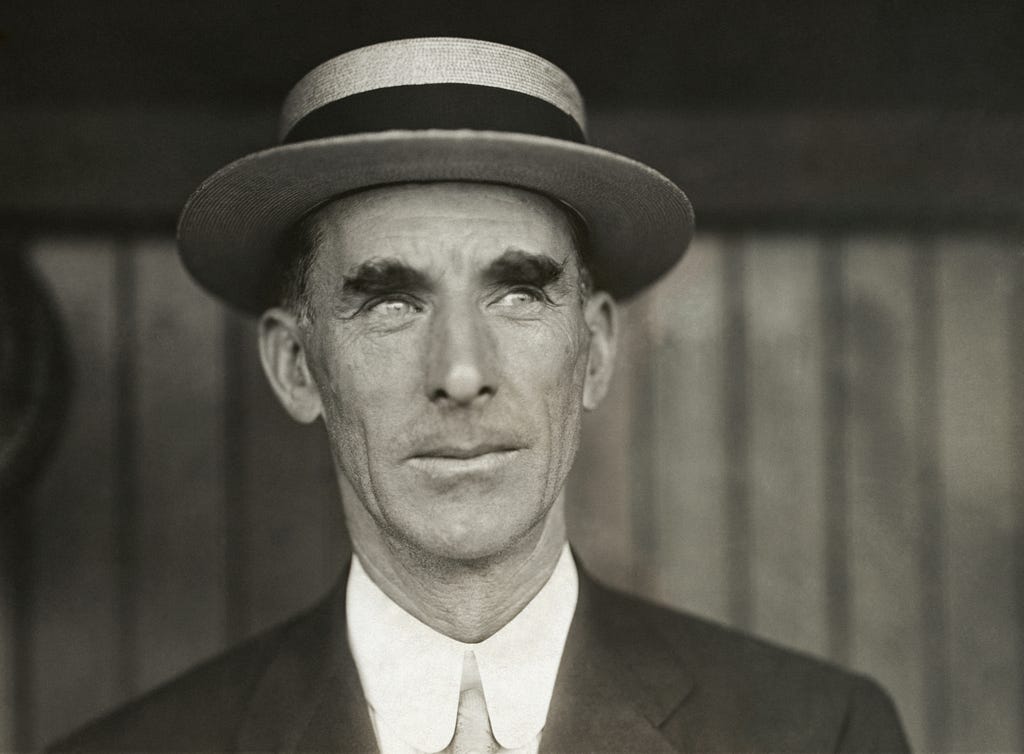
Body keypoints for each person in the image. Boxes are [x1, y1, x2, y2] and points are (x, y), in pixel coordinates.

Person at [51, 37, 909, 753]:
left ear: (596, 349)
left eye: (520, 293)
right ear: (296, 365)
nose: (461, 372)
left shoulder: (818, 734)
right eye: (391, 301)